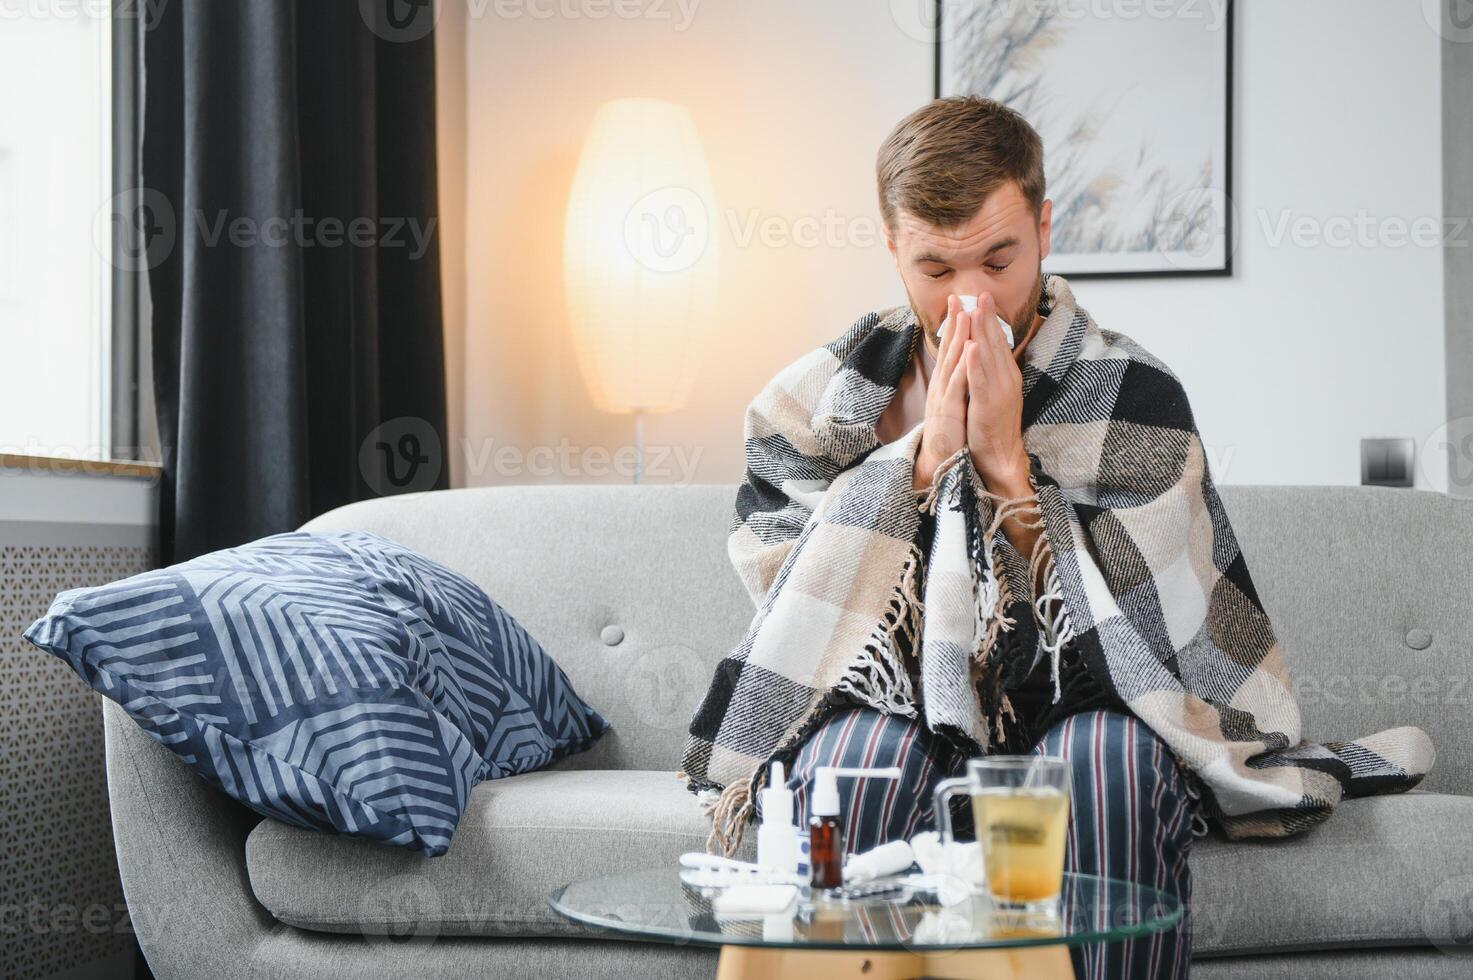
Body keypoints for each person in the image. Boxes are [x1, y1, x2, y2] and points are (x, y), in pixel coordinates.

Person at [751, 96, 1200, 979]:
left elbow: (1153, 644)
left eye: (999, 260)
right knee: (855, 765)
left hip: (1083, 706)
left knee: (1102, 769)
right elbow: (789, 631)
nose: (970, 299)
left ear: (1041, 227)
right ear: (890, 249)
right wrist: (918, 469)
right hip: (889, 705)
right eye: (933, 267)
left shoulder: (1133, 394)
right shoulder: (806, 408)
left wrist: (1004, 471)